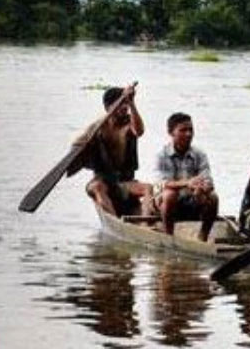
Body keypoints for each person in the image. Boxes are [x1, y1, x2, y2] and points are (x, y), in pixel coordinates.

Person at [78, 84, 154, 216]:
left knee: (148, 188)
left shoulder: (130, 123)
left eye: (126, 104)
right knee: (96, 187)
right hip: (103, 182)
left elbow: (139, 131)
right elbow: (82, 157)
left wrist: (132, 103)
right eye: (121, 104)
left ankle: (145, 222)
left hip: (126, 182)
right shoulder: (98, 129)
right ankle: (114, 220)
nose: (125, 108)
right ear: (109, 107)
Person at [153, 112, 219, 241]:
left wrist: (203, 188)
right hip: (165, 203)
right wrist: (188, 183)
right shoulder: (162, 155)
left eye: (190, 130)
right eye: (183, 130)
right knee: (170, 194)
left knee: (213, 197)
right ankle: (168, 237)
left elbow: (208, 179)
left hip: (191, 199)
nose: (188, 134)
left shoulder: (199, 154)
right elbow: (163, 183)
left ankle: (203, 237)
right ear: (171, 132)